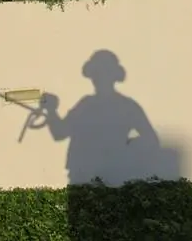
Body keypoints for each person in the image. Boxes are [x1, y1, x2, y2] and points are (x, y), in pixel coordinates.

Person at [29, 50, 161, 184]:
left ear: (111, 76)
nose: (98, 79)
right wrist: (51, 111)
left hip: (112, 180)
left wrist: (123, 152)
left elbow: (151, 140)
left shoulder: (126, 107)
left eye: (102, 74)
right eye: (96, 74)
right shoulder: (86, 105)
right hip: (83, 179)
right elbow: (60, 133)